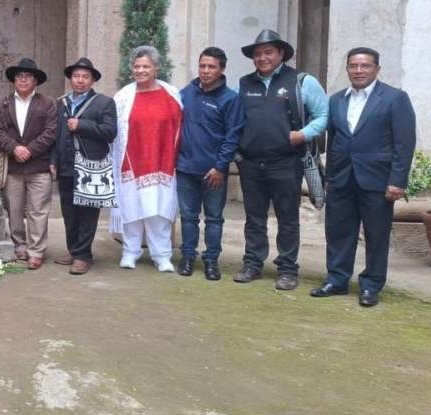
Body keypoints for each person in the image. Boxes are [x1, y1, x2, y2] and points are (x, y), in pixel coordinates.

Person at [311, 48, 416, 307]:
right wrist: (329, 177)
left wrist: (398, 181)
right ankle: (336, 280)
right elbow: (334, 140)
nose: (359, 70)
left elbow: (404, 143)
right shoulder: (336, 100)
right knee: (338, 232)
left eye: (365, 66)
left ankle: (371, 285)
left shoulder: (395, 98)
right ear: (347, 69)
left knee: (376, 234)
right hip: (342, 179)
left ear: (377, 69)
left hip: (378, 180)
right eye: (353, 66)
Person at [233, 29, 328, 291]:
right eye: (258, 53)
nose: (262, 57)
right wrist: (237, 154)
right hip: (250, 163)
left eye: (268, 52)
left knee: (287, 218)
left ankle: (287, 269)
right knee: (254, 218)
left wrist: (303, 134)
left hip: (287, 162)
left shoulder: (301, 81)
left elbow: (323, 115)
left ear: (281, 54)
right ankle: (252, 264)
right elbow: (234, 121)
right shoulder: (243, 83)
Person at [109, 46, 183, 272]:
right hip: (131, 161)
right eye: (137, 66)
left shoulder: (171, 93)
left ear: (156, 68)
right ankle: (130, 252)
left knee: (158, 211)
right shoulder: (122, 96)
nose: (141, 70)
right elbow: (114, 132)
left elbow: (179, 127)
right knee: (131, 210)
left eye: (146, 66)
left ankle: (161, 255)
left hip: (162, 161)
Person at [175, 47, 244, 281]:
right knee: (188, 216)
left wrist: (220, 167)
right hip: (185, 169)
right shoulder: (186, 93)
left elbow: (232, 136)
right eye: (202, 66)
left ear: (222, 69)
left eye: (211, 66)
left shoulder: (230, 99)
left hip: (213, 172)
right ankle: (187, 257)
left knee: (214, 218)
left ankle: (211, 260)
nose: (205, 71)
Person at [49, 57, 117, 275]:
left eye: (85, 77)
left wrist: (82, 125)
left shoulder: (104, 103)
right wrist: (53, 161)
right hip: (66, 164)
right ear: (70, 79)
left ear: (92, 80)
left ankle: (83, 255)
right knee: (69, 211)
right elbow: (56, 135)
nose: (80, 81)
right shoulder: (61, 103)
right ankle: (73, 250)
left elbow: (110, 132)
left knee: (88, 212)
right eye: (76, 76)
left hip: (92, 166)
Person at [0, 58, 58, 269]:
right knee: (15, 210)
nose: (23, 80)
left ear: (35, 81)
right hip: (13, 167)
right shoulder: (2, 104)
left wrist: (30, 150)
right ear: (13, 81)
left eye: (28, 76)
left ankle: (36, 251)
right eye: (19, 76)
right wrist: (14, 148)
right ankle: (19, 245)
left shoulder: (48, 104)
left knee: (38, 211)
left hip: (39, 167)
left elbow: (51, 132)